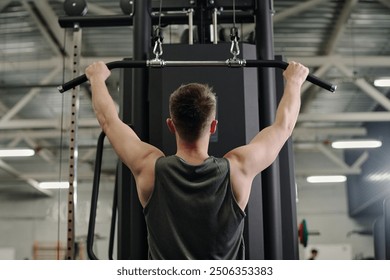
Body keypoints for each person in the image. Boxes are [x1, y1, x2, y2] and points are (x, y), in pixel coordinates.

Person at [85, 61, 309, 260]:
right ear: (213, 127)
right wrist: (294, 81)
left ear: (171, 125)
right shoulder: (238, 168)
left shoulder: (149, 166)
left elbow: (109, 121)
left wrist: (96, 78)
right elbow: (284, 127)